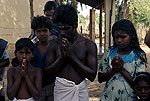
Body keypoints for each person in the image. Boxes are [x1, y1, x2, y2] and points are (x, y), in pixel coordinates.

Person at [48, 5, 98, 101]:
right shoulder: (53, 44)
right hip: (61, 92)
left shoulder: (88, 45)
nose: (62, 32)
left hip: (80, 92)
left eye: (66, 28)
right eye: (59, 28)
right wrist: (62, 58)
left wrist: (71, 56)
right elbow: (47, 74)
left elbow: (92, 76)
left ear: (75, 25)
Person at [98, 19, 147, 101]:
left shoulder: (138, 55)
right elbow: (100, 78)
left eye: (123, 37)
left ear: (131, 36)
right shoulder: (109, 53)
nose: (119, 40)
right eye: (116, 37)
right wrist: (113, 69)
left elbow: (139, 84)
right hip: (109, 97)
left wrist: (122, 70)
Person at [31, 16, 57, 101]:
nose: (42, 34)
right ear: (34, 32)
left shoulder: (56, 48)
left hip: (53, 86)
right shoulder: (31, 50)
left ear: (50, 31)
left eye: (45, 30)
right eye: (38, 31)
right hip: (37, 88)